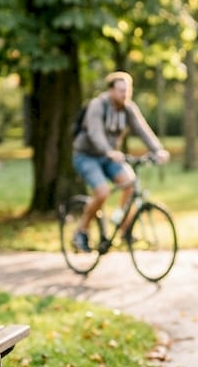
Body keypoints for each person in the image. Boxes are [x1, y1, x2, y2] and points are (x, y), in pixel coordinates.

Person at [71, 71, 170, 251]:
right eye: (121, 90)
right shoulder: (97, 105)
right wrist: (108, 151)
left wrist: (158, 150)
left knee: (130, 184)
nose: (125, 94)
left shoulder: (128, 108)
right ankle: (81, 231)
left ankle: (125, 229)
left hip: (110, 156)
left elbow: (143, 129)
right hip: (86, 156)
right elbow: (95, 133)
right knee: (102, 193)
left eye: (128, 90)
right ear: (110, 91)